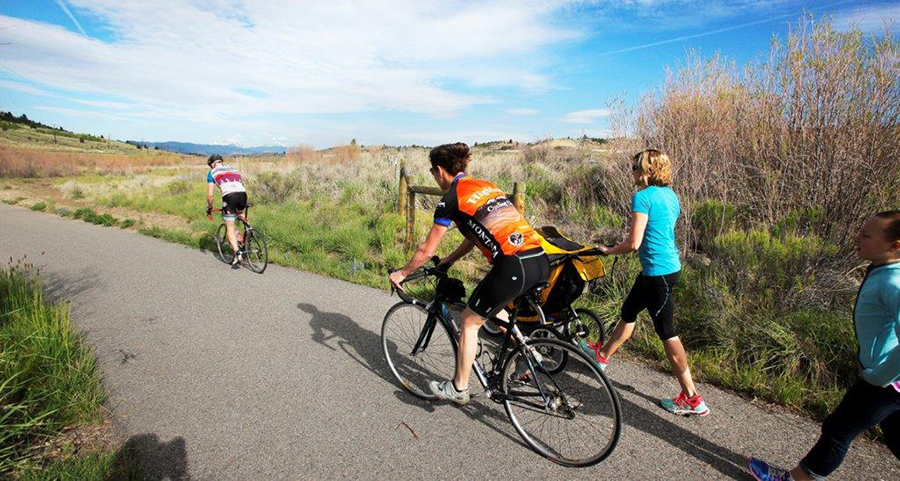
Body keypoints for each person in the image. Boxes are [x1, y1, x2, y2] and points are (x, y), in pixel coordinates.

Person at [388, 142, 550, 405]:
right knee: (490, 305)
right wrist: (449, 261)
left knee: (468, 320)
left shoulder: (451, 198)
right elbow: (474, 237)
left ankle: (458, 388)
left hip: (512, 264)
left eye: (432, 171)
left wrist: (403, 273)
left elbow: (427, 249)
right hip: (538, 258)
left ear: (439, 171)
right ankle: (529, 354)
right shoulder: (487, 186)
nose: (434, 176)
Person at [749, 211, 900, 480]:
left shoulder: (893, 282)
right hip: (882, 376)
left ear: (895, 245)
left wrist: (878, 375)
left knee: (838, 430)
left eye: (866, 235)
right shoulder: (884, 270)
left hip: (884, 382)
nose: (857, 238)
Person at [582, 148, 709, 416]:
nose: (633, 172)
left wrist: (608, 250)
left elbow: (633, 243)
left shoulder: (642, 198)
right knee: (628, 312)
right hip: (665, 268)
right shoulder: (671, 196)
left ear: (647, 171)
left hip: (658, 274)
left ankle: (692, 398)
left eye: (635, 168)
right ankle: (602, 356)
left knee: (668, 333)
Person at [205, 154, 248, 267]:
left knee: (229, 226)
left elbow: (210, 195)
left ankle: (237, 253)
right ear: (221, 162)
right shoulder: (232, 168)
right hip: (243, 194)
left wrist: (210, 206)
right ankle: (248, 233)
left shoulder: (212, 172)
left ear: (211, 164)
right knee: (240, 213)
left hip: (229, 197)